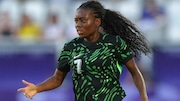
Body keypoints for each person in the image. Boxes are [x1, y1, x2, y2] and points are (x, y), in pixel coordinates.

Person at [17, 1, 150, 101]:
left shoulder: (114, 43)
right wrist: (37, 88)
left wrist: (144, 98)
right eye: (76, 21)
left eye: (83, 20)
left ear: (97, 22)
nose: (78, 25)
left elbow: (135, 72)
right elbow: (57, 79)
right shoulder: (70, 47)